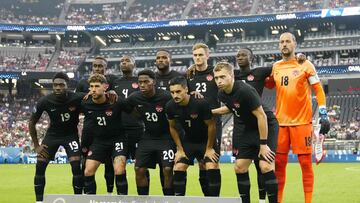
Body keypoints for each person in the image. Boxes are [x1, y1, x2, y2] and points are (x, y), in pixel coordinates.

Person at [266, 32, 330, 203]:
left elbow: (319, 90)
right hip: (280, 124)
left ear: (294, 44)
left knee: (305, 164)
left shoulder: (306, 64)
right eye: (281, 42)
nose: (284, 44)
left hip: (302, 123)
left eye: (288, 41)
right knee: (279, 165)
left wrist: (323, 113)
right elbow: (267, 83)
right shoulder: (276, 67)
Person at [212, 61, 278, 203]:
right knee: (240, 167)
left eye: (222, 77)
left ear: (231, 75)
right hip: (249, 128)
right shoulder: (222, 94)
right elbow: (232, 107)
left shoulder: (245, 90)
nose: (219, 81)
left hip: (267, 126)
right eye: (216, 78)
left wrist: (263, 144)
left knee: (265, 166)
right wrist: (212, 112)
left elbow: (262, 116)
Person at [29, 72, 84, 203]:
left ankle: (78, 199)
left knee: (76, 166)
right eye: (55, 85)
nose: (58, 88)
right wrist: (36, 145)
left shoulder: (77, 98)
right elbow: (32, 122)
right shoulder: (44, 101)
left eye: (61, 85)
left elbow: (94, 99)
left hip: (70, 136)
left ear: (67, 85)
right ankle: (39, 201)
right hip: (52, 136)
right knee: (40, 166)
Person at [166, 76, 221, 196]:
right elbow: (172, 127)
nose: (175, 95)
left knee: (211, 166)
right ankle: (180, 199)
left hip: (206, 141)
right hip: (189, 142)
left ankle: (214, 200)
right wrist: (179, 149)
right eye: (172, 92)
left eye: (178, 91)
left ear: (186, 89)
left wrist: (209, 148)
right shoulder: (170, 106)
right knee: (179, 167)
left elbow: (211, 126)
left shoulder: (200, 103)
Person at [125, 69, 174, 196]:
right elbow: (126, 107)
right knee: (139, 169)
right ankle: (143, 199)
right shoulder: (134, 97)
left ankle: (168, 199)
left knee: (167, 169)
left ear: (154, 82)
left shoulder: (166, 96)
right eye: (140, 82)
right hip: (148, 137)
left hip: (166, 137)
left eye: (146, 81)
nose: (142, 84)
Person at [82, 74, 129, 195]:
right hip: (99, 141)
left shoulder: (116, 101)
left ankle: (122, 200)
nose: (93, 89)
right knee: (88, 171)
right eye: (91, 86)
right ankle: (91, 199)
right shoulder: (85, 102)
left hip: (118, 139)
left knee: (119, 169)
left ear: (105, 87)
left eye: (97, 86)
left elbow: (133, 110)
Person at [76, 56, 117, 195]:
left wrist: (111, 92)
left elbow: (116, 98)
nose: (98, 69)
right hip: (89, 130)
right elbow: (77, 100)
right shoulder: (83, 83)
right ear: (92, 67)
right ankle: (83, 193)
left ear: (106, 67)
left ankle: (109, 193)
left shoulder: (112, 81)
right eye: (95, 66)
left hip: (108, 129)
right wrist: (90, 93)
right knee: (85, 162)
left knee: (110, 164)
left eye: (101, 66)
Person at [186, 43, 221, 196]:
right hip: (195, 123)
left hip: (212, 122)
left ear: (208, 55)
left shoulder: (215, 72)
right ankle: (207, 198)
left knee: (212, 161)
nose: (198, 58)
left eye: (201, 55)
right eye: (195, 55)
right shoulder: (189, 75)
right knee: (201, 164)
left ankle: (215, 199)